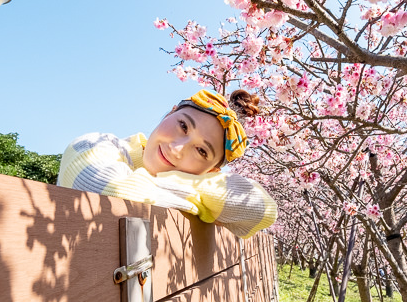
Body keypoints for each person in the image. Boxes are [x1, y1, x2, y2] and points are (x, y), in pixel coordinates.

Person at [57, 88, 278, 239]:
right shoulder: (94, 145)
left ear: (210, 171)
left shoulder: (196, 177)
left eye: (201, 150)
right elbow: (113, 193)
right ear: (170, 113)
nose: (177, 148)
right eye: (183, 126)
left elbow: (263, 211)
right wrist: (198, 203)